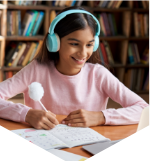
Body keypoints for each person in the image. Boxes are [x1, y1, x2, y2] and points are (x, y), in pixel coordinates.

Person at [0, 6, 149, 130]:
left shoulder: (99, 75)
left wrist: (101, 116)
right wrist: (26, 114)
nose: (83, 53)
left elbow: (143, 109)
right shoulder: (36, 70)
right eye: (74, 44)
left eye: (89, 44)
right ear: (55, 42)